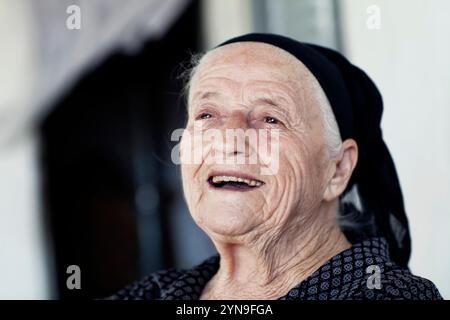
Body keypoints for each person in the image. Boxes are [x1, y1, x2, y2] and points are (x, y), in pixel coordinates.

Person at [109, 33, 442, 300]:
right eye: (207, 115)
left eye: (271, 119)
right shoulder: (151, 293)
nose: (229, 140)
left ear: (338, 169)